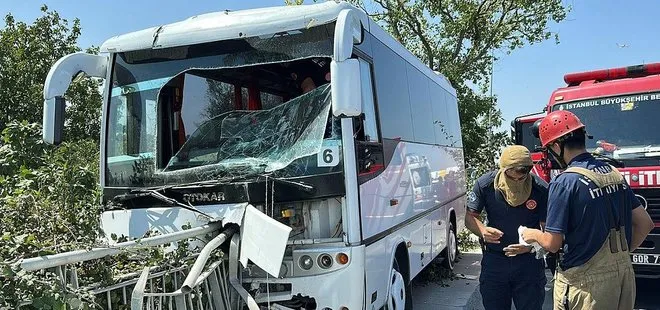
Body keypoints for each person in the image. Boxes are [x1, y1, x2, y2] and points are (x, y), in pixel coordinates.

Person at [521, 110, 654, 310]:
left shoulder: (565, 182)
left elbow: (552, 243)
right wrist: (617, 259)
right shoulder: (613, 173)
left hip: (585, 286)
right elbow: (645, 223)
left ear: (557, 146)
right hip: (623, 278)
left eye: (549, 149)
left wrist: (530, 234)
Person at [465, 145, 549, 310]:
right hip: (495, 261)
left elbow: (549, 230)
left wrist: (530, 247)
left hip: (529, 264)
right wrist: (482, 231)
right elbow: (469, 217)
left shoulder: (541, 189)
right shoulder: (486, 185)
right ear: (503, 170)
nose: (517, 182)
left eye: (521, 177)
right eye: (512, 177)